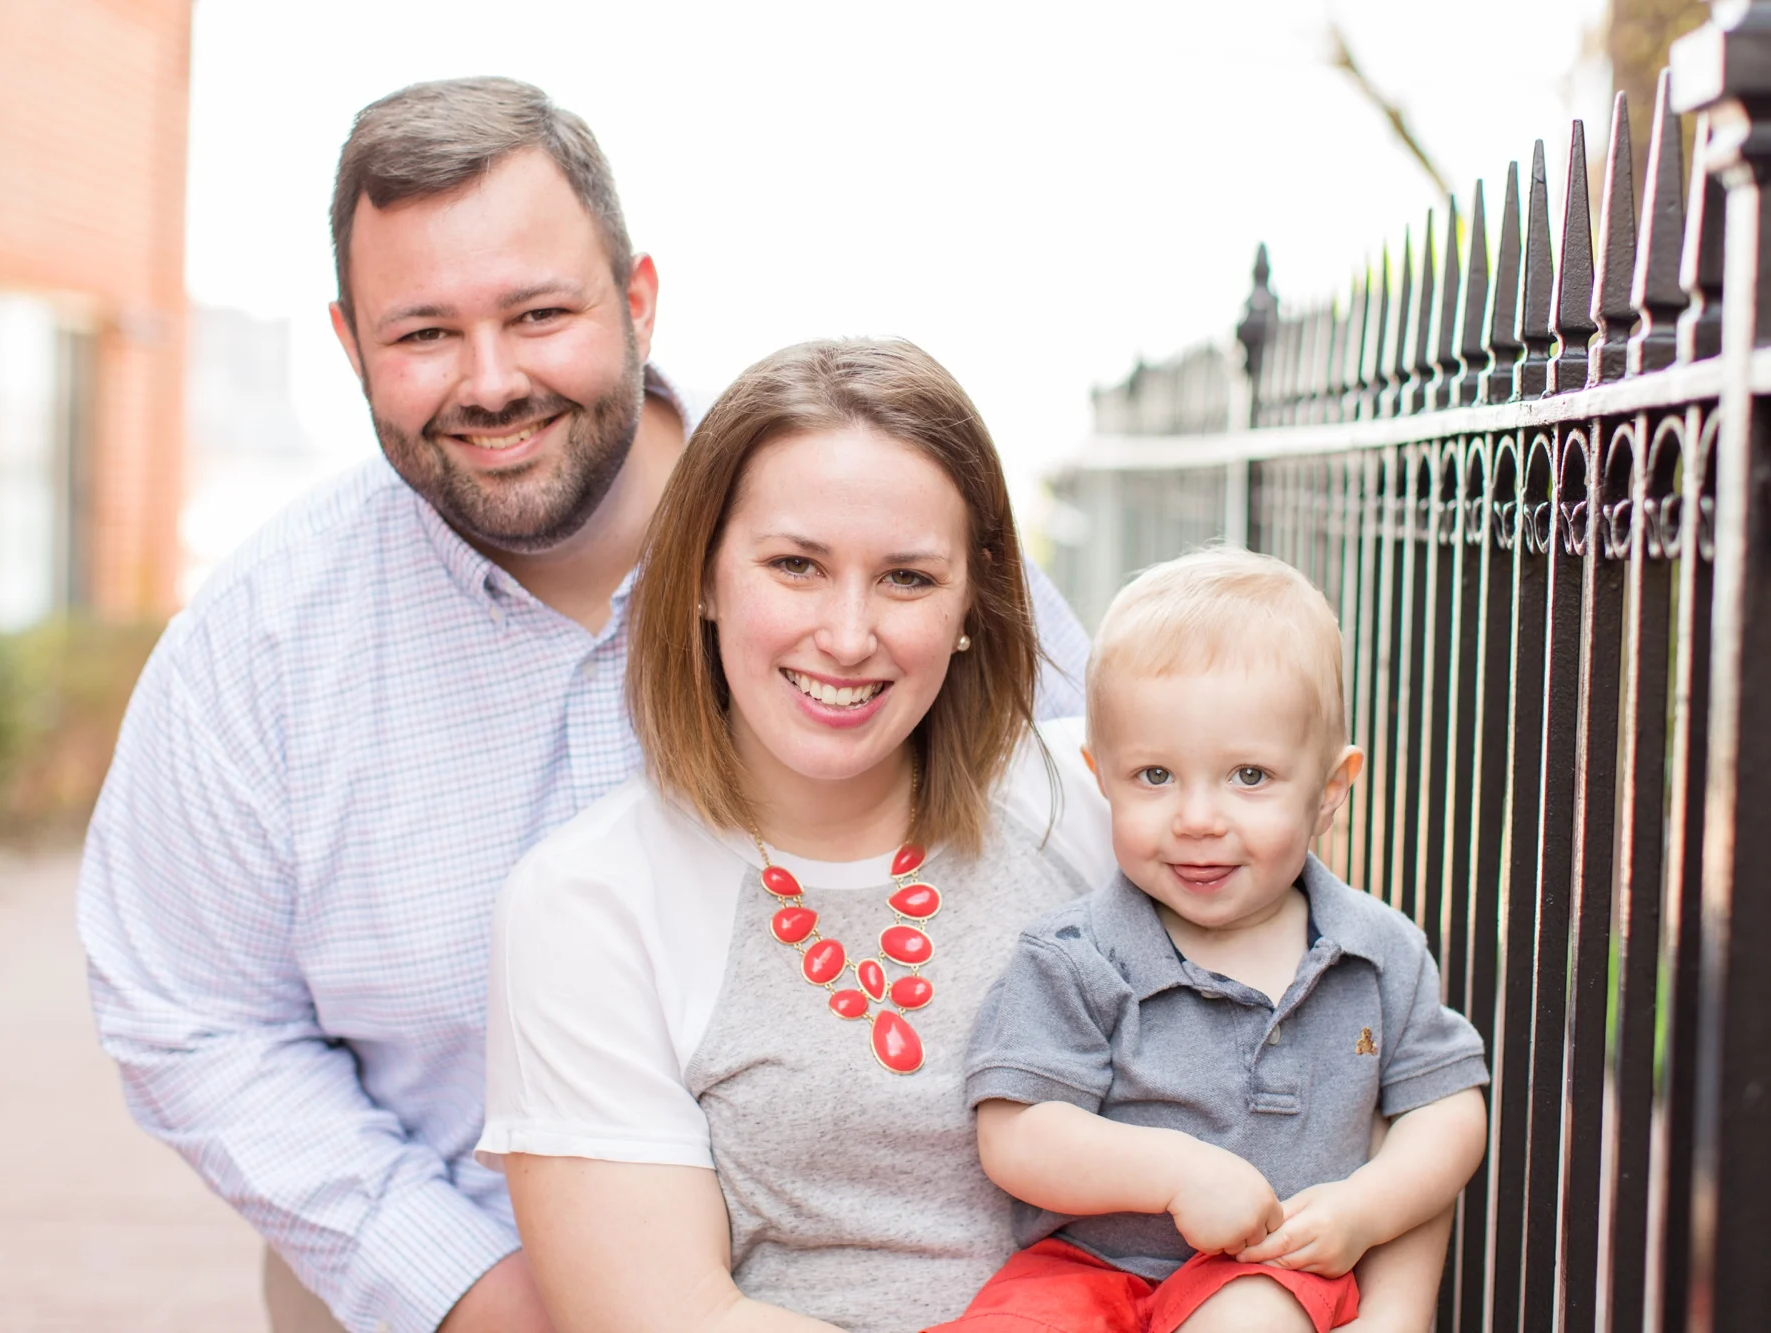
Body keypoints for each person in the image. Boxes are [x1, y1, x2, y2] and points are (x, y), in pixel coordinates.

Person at [75, 80, 1091, 1333]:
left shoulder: (867, 541)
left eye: (540, 313)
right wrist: (462, 1283)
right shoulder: (260, 645)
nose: (491, 381)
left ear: (637, 297)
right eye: (423, 335)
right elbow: (190, 1014)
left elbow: (1133, 840)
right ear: (348, 345)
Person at [481, 337, 1117, 1333]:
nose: (849, 633)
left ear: (968, 603)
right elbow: (663, 1316)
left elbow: (1342, 1060)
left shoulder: (1098, 801)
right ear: (700, 575)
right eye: (794, 566)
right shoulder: (586, 903)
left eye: (906, 578)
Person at [938, 548, 1490, 1333]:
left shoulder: (1375, 951)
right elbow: (1017, 1129)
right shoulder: (1076, 953)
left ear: (1329, 788)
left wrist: (1366, 1207)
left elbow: (1445, 1106)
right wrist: (1175, 1174)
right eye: (1155, 776)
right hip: (1086, 1268)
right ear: (1102, 775)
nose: (1198, 818)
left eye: (1250, 776)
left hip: (1272, 1268)